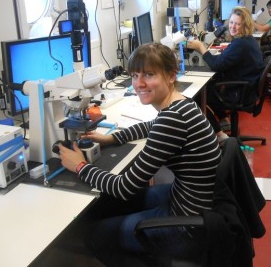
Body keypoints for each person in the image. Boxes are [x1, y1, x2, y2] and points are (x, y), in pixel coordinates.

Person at [58, 43, 221, 265]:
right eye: (135, 75)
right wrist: (112, 138)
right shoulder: (181, 105)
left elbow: (124, 187)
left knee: (95, 235)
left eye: (149, 74)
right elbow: (151, 126)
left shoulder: (172, 120)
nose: (139, 83)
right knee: (107, 206)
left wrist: (80, 166)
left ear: (171, 75)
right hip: (195, 203)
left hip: (188, 226)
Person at [186, 6, 265, 145]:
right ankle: (224, 120)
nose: (233, 26)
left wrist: (201, 47)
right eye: (232, 22)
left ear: (245, 25)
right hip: (247, 88)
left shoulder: (240, 44)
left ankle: (219, 134)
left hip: (240, 92)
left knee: (197, 96)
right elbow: (227, 60)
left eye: (238, 24)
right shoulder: (247, 40)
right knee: (210, 85)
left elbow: (216, 65)